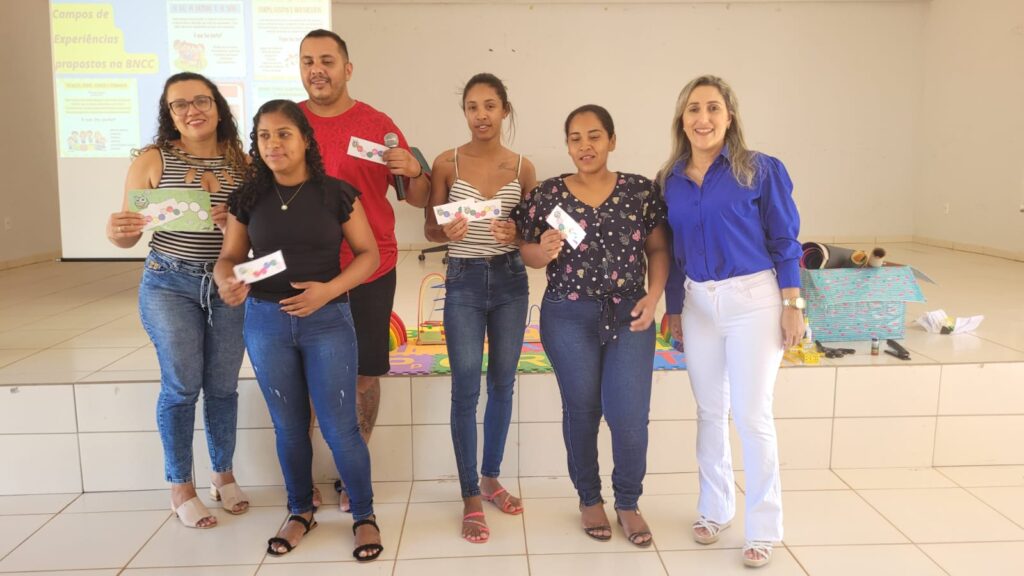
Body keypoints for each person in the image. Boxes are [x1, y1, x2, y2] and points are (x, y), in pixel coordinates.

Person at [214, 99, 384, 562]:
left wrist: (328, 291)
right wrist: (226, 280)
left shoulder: (336, 193)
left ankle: (364, 514)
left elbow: (369, 254)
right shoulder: (248, 198)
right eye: (264, 136)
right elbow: (229, 258)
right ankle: (299, 510)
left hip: (327, 321)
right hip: (266, 323)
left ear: (305, 139)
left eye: (284, 134)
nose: (274, 144)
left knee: (340, 429)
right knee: (288, 428)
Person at [661, 75, 803, 568]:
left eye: (713, 108)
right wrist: (673, 309)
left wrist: (793, 304)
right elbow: (674, 251)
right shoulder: (671, 179)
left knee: (751, 414)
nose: (703, 118)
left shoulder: (760, 170)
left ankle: (763, 527)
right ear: (682, 119)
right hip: (698, 303)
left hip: (754, 301)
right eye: (693, 109)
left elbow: (786, 240)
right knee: (709, 410)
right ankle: (716, 507)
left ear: (730, 116)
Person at [512, 104, 669, 547]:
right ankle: (589, 498)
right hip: (568, 315)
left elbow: (659, 249)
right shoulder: (548, 194)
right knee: (582, 411)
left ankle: (628, 502)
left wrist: (654, 296)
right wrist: (542, 250)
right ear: (568, 145)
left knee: (629, 416)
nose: (585, 146)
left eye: (595, 136)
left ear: (612, 140)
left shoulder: (639, 191)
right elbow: (524, 249)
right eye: (576, 138)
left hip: (631, 313)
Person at [106, 72, 249, 529]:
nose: (192, 111)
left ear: (218, 107)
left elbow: (254, 234)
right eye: (179, 104)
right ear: (169, 114)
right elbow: (128, 234)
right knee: (182, 386)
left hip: (227, 285)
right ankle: (180, 486)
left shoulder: (243, 162)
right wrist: (116, 232)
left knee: (223, 386)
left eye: (201, 101)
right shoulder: (153, 159)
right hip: (169, 283)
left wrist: (234, 226)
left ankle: (222, 473)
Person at [298, 29, 431, 511]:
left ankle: (350, 474)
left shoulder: (378, 125)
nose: (317, 69)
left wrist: (413, 171)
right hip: (305, 271)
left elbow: (416, 197)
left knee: (363, 375)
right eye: (308, 61)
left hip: (371, 267)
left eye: (327, 60)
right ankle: (302, 475)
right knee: (306, 380)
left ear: (347, 69)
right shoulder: (287, 122)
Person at [424, 73, 537, 543]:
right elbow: (431, 228)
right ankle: (470, 494)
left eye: (490, 106)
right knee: (465, 389)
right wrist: (444, 231)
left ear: (504, 109)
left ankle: (491, 478)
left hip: (511, 280)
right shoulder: (446, 162)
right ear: (465, 112)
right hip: (464, 281)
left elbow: (532, 232)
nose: (481, 115)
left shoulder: (523, 168)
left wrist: (517, 233)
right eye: (473, 107)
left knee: (503, 384)